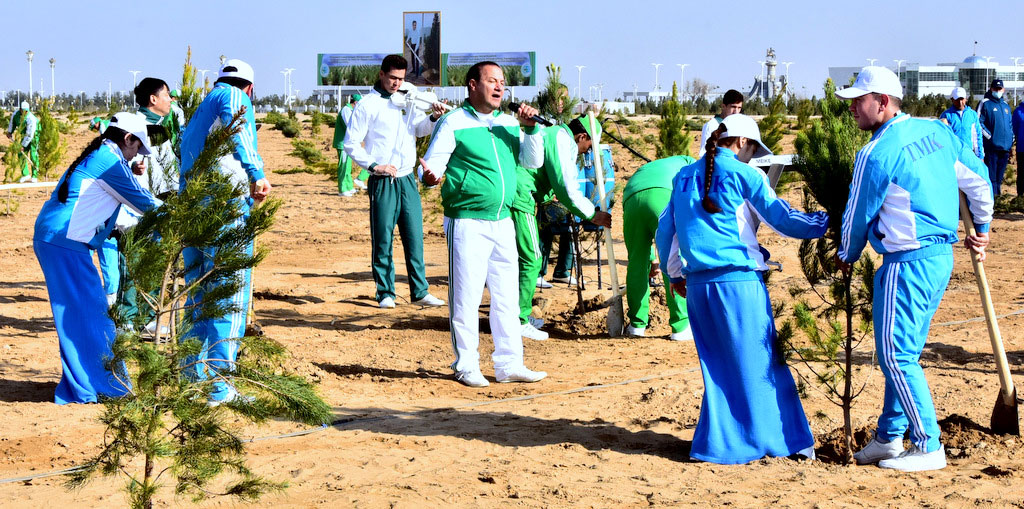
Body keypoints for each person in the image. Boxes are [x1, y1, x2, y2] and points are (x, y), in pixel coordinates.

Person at [835, 66, 992, 472]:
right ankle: (889, 437)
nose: (852, 108)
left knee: (895, 355)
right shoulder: (938, 131)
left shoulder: (876, 152)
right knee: (903, 351)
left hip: (905, 263)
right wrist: (983, 228)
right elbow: (979, 179)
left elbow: (856, 215)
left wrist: (846, 254)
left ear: (883, 101)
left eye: (859, 100)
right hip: (940, 259)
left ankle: (927, 445)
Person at [655, 113, 827, 464]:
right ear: (742, 142)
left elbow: (665, 232)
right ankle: (786, 443)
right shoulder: (746, 174)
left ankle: (716, 446)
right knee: (763, 367)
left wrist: (674, 276)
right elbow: (783, 220)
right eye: (753, 150)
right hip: (738, 285)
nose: (753, 158)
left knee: (718, 371)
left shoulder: (682, 177)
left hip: (698, 288)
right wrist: (827, 221)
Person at [420, 61, 548, 387]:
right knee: (467, 297)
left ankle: (509, 364)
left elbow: (532, 161)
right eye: (492, 81)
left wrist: (532, 129)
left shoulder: (508, 123)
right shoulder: (453, 122)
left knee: (506, 297)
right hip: (467, 221)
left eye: (502, 82)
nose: (499, 87)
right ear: (473, 85)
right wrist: (430, 176)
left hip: (503, 220)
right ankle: (466, 365)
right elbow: (430, 166)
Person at [33, 112, 159, 404]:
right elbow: (146, 204)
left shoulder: (101, 154)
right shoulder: (111, 161)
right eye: (137, 147)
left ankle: (87, 383)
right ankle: (100, 387)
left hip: (58, 239)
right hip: (65, 243)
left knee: (81, 315)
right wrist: (188, 212)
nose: (136, 155)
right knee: (92, 316)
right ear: (127, 138)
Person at [179, 59, 271, 406]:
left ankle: (191, 378)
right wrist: (256, 174)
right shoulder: (234, 97)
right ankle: (220, 386)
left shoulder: (201, 109)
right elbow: (240, 127)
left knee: (198, 295)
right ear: (250, 88)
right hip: (225, 207)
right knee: (228, 296)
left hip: (194, 208)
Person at [344, 55, 445, 309]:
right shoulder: (367, 105)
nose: (397, 83)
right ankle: (385, 293)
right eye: (392, 78)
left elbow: (418, 129)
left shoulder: (408, 98)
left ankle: (420, 291)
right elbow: (350, 143)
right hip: (383, 181)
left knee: (414, 237)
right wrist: (373, 166)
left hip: (407, 179)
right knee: (383, 239)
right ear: (381, 74)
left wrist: (433, 118)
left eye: (401, 79)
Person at [512, 115, 613, 341]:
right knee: (532, 258)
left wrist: (548, 195)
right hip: (520, 196)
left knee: (515, 259)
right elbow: (567, 187)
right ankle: (518, 320)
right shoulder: (561, 140)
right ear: (582, 136)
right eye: (589, 146)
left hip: (518, 193)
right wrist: (592, 214)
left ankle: (510, 314)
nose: (587, 152)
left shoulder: (555, 135)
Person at [623, 154, 695, 341]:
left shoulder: (652, 166)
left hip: (631, 197)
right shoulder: (691, 163)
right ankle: (681, 326)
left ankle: (636, 326)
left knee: (637, 263)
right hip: (662, 195)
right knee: (673, 256)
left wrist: (651, 260)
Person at [977, 79, 1013, 195]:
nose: (997, 91)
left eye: (999, 89)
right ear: (991, 89)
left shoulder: (1006, 106)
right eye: (995, 88)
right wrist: (989, 136)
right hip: (991, 148)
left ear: (1003, 89)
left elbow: (1010, 125)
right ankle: (992, 199)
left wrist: (1011, 139)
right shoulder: (985, 103)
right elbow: (978, 122)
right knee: (991, 178)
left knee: (999, 178)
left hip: (1005, 148)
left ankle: (998, 198)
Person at [939, 87, 983, 161]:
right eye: (957, 100)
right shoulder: (946, 115)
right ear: (952, 99)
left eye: (962, 99)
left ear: (966, 99)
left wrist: (980, 156)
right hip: (953, 155)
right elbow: (941, 137)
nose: (960, 102)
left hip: (969, 154)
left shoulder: (973, 115)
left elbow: (977, 136)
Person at [697, 89, 743, 158]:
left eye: (739, 108)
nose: (736, 111)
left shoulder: (739, 126)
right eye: (733, 107)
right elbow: (704, 154)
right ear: (723, 106)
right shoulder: (711, 125)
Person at [333, 93, 362, 197]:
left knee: (348, 167)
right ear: (356, 103)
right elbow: (349, 126)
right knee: (343, 166)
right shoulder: (346, 110)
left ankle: (349, 187)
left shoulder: (350, 110)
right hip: (343, 144)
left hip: (348, 144)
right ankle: (342, 189)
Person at [6, 101, 40, 183]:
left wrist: (23, 145)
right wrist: (9, 132)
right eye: (23, 110)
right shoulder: (15, 115)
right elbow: (12, 123)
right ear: (20, 109)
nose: (25, 112)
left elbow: (30, 134)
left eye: (27, 111)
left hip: (34, 135)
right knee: (21, 154)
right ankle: (25, 174)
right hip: (24, 135)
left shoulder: (31, 119)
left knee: (33, 155)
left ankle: (35, 175)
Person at [1012, 98, 1024, 196]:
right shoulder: (1018, 111)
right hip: (1021, 148)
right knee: (1021, 173)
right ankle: (1020, 196)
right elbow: (1013, 129)